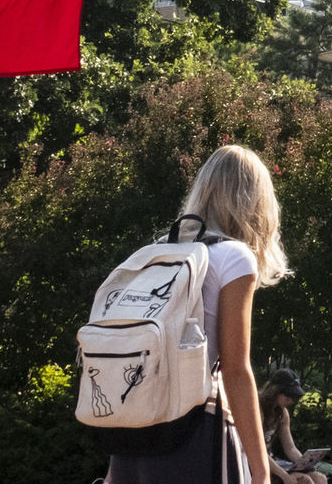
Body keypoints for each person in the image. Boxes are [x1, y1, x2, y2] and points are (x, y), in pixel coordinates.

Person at [107, 145, 292, 484]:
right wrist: (261, 470)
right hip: (193, 431)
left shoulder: (159, 250)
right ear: (254, 203)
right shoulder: (234, 258)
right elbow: (236, 370)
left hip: (135, 432)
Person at [260, 369, 328, 484]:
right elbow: (258, 451)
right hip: (256, 461)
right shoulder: (258, 408)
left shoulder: (282, 413)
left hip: (272, 461)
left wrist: (305, 464)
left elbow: (290, 448)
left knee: (320, 478)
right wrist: (285, 476)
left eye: (293, 397)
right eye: (288, 396)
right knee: (305, 481)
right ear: (275, 391)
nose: (290, 401)